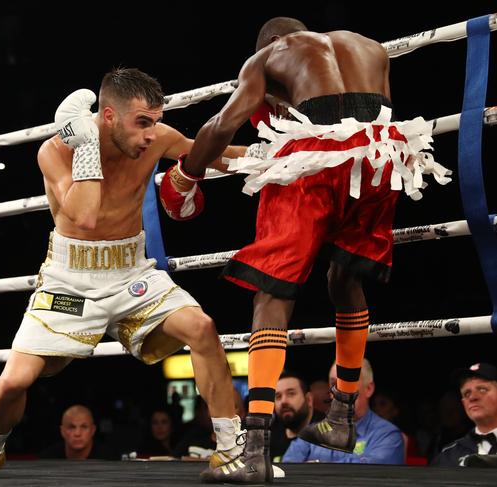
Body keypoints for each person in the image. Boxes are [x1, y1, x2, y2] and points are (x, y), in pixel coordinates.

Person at [160, 17, 448, 483]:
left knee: (272, 293)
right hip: (382, 154)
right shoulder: (368, 46)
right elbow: (365, 117)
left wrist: (187, 175)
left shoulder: (271, 53)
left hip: (316, 156)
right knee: (343, 278)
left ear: (272, 45)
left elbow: (222, 123)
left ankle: (255, 449)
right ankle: (341, 415)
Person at [0, 67, 248, 480]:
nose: (152, 134)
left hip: (132, 270)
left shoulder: (156, 139)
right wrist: (84, 144)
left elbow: (208, 154)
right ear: (109, 116)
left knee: (202, 328)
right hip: (69, 278)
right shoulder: (54, 152)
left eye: (154, 121)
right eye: (142, 122)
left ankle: (228, 451)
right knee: (13, 382)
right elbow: (82, 217)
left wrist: (283, 154)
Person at [283, 359, 404, 464]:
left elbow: (369, 475)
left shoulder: (388, 435)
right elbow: (287, 470)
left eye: (347, 382)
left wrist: (316, 467)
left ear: (368, 388)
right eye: (333, 383)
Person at [431, 363, 497, 467]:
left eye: (482, 389)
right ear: (463, 404)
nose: (472, 397)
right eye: (467, 393)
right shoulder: (448, 455)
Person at [270, 371, 325, 462]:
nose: (283, 401)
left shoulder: (327, 432)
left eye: (291, 394)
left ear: (309, 399)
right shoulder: (268, 435)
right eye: (278, 396)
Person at [39, 405, 110, 460]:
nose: (77, 433)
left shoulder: (109, 460)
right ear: (62, 431)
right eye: (71, 427)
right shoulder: (48, 459)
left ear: (93, 430)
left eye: (84, 427)